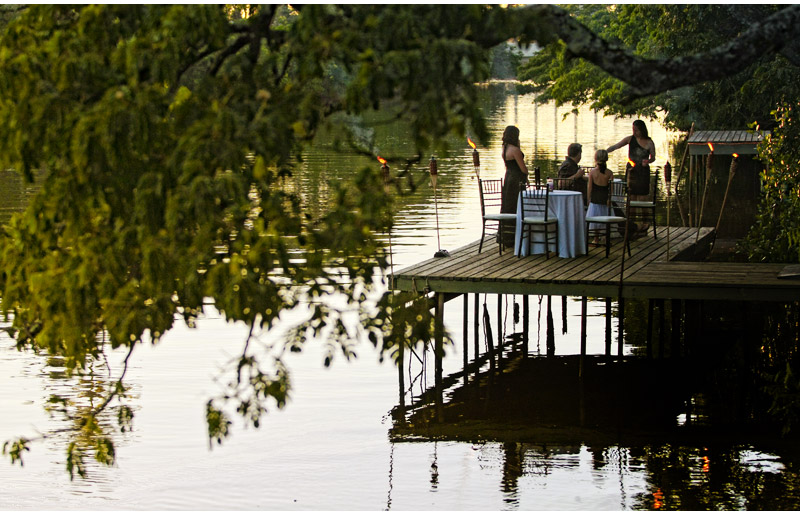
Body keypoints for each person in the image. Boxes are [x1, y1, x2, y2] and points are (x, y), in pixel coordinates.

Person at [606, 119, 656, 233]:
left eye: (636, 130)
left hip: (643, 172)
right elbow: (617, 145)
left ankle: (645, 223)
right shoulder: (630, 139)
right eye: (633, 129)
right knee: (631, 196)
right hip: (631, 171)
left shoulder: (649, 142)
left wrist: (648, 161)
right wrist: (606, 151)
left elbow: (653, 157)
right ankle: (632, 223)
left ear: (642, 130)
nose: (634, 132)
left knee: (642, 197)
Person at [499, 125, 528, 246]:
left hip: (508, 178)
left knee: (508, 205)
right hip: (516, 180)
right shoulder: (515, 151)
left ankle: (506, 236)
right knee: (517, 206)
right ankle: (516, 236)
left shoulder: (505, 148)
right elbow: (523, 169)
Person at [585, 149, 614, 243]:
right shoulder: (609, 173)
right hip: (605, 200)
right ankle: (605, 237)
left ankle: (596, 238)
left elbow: (590, 188)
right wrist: (609, 198)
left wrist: (588, 199)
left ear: (595, 159)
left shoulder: (592, 173)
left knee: (595, 219)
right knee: (605, 217)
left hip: (595, 200)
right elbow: (611, 189)